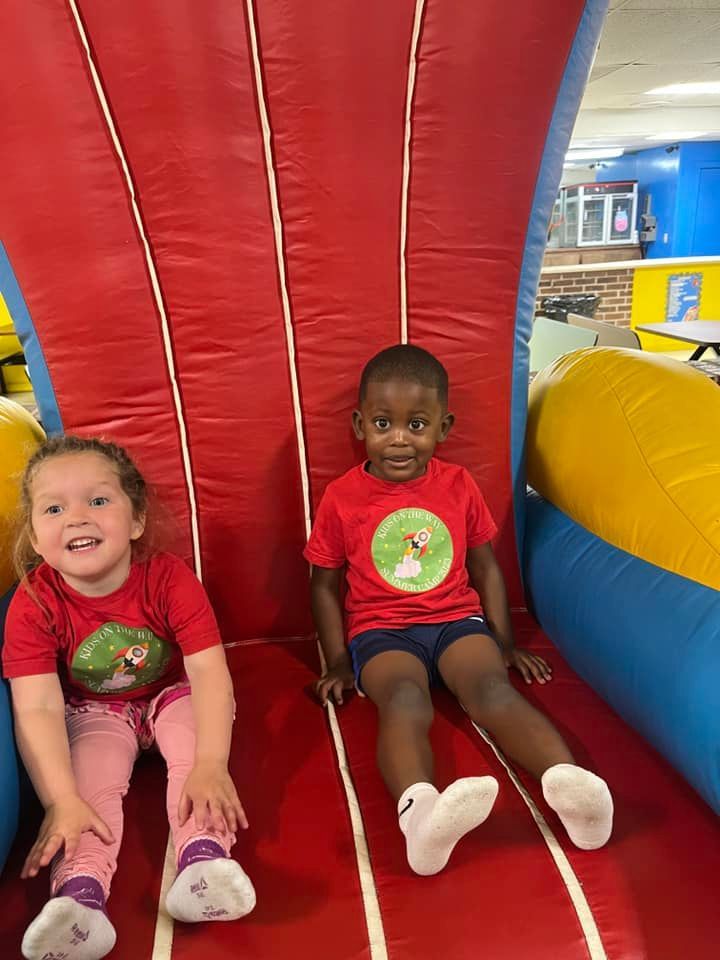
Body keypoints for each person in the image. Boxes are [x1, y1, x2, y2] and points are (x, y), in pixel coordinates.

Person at [305, 345, 613, 876]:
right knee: (403, 699)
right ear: (360, 424)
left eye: (417, 424)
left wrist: (505, 640)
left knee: (492, 689)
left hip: (455, 622)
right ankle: (421, 819)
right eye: (383, 423)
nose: (399, 438)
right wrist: (337, 660)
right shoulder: (342, 498)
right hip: (381, 633)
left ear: (443, 427)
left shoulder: (458, 485)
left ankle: (571, 789)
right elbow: (324, 584)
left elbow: (486, 567)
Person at [2, 436, 255, 960]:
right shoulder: (32, 604)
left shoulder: (167, 578)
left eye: (97, 501)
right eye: (54, 507)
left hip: (172, 691)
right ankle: (80, 899)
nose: (76, 518)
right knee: (88, 786)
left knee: (192, 759)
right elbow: (38, 706)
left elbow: (209, 672)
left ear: (136, 519)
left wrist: (211, 762)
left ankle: (203, 861)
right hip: (95, 710)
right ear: (35, 534)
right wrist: (59, 800)